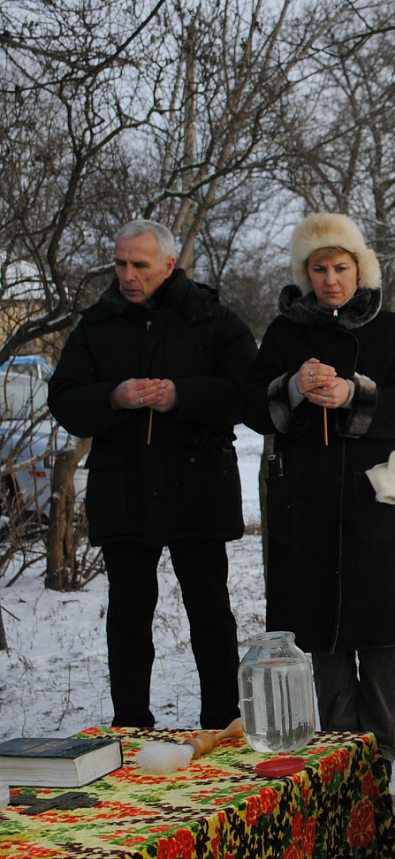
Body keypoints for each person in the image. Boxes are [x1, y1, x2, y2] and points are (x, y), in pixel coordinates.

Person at [49, 219, 255, 729]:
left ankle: (222, 722)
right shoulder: (97, 324)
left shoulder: (211, 318)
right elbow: (65, 399)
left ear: (168, 264)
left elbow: (250, 391)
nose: (127, 275)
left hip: (197, 482)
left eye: (138, 264)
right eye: (119, 263)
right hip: (125, 487)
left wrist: (183, 395)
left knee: (210, 610)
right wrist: (112, 397)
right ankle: (131, 723)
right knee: (127, 615)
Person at [242, 212, 395, 769]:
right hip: (306, 502)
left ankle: (382, 752)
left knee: (379, 631)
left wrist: (354, 393)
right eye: (319, 269)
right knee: (320, 632)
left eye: (340, 267)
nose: (331, 279)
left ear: (359, 269)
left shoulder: (389, 329)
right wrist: (293, 389)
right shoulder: (283, 334)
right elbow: (254, 406)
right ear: (307, 274)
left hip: (376, 499)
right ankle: (339, 751)